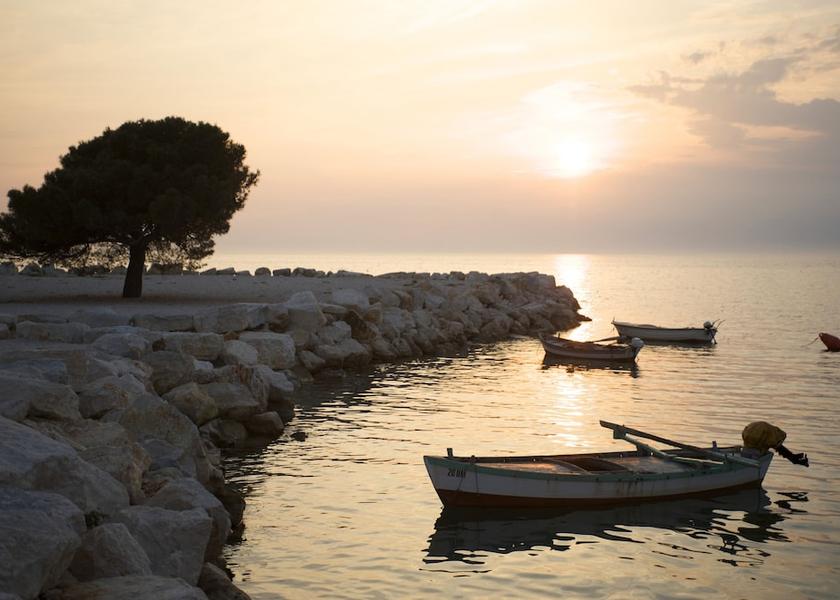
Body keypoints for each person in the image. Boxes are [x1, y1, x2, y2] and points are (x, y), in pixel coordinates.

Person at [742, 421, 809, 467]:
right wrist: (793, 458)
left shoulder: (757, 433)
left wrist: (793, 457)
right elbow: (778, 447)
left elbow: (779, 448)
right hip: (754, 456)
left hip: (745, 453)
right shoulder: (770, 435)